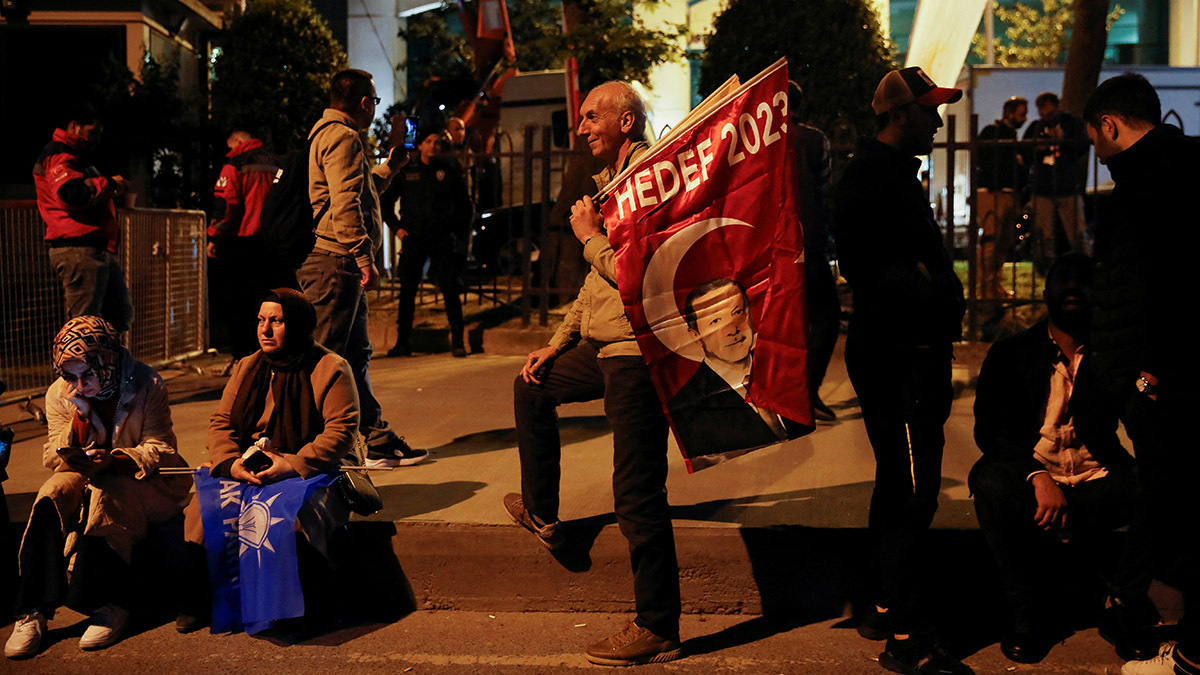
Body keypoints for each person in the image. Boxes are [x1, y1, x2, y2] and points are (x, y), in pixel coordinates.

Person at [503, 81, 683, 667]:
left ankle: (657, 625)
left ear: (626, 122)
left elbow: (636, 274)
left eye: (591, 117)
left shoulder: (649, 185)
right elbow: (594, 285)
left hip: (636, 353)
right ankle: (544, 514)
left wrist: (588, 237)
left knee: (636, 493)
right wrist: (554, 344)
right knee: (530, 386)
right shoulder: (610, 187)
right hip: (603, 346)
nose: (581, 128)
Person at [832, 66, 972, 675]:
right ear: (898, 114)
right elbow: (872, 270)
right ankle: (909, 636)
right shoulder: (869, 180)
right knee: (914, 488)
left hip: (905, 351)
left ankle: (883, 605)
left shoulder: (887, 175)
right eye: (928, 110)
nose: (937, 121)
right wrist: (931, 293)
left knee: (899, 482)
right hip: (901, 355)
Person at [1075, 73, 1200, 675]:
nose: (1097, 153)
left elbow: (1155, 290)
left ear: (1109, 125)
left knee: (1172, 494)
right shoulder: (1187, 164)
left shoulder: (1144, 187)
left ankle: (1177, 642)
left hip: (1160, 375)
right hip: (1165, 370)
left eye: (1095, 139)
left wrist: (1147, 375)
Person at [970, 254, 1152, 664]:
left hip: (1096, 474)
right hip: (1033, 478)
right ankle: (1027, 612)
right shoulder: (1012, 353)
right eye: (1063, 281)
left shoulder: (1110, 356)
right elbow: (990, 433)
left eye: (1082, 282)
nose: (1072, 290)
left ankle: (1121, 605)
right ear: (1047, 291)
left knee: (1159, 486)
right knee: (991, 483)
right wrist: (1036, 475)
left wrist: (1145, 381)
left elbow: (1140, 418)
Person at [5, 316, 191, 658]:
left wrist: (115, 460)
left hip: (143, 479)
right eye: (69, 375)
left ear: (105, 360)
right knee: (51, 495)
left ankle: (110, 604)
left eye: (86, 373)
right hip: (88, 470)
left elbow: (162, 449)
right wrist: (80, 420)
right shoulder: (60, 393)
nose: (78, 383)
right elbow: (52, 455)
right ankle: (32, 611)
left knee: (106, 494)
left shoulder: (146, 382)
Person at [178, 288, 361, 633]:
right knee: (203, 510)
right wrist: (230, 463)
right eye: (261, 321)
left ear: (296, 324)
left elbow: (341, 430)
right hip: (249, 464)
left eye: (276, 321)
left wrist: (293, 464)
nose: (265, 330)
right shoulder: (249, 367)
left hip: (308, 468)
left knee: (288, 513)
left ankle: (288, 609)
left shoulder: (331, 367)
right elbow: (222, 422)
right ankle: (205, 601)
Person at [298, 68, 427, 468]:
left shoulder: (327, 135)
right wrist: (362, 255)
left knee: (353, 355)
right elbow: (345, 204)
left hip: (338, 260)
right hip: (335, 261)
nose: (375, 108)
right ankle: (312, 446)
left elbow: (359, 191)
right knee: (327, 358)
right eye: (375, 100)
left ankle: (376, 439)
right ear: (362, 102)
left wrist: (390, 168)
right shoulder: (343, 137)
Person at [33, 110, 134, 333]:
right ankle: (82, 366)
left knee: (116, 317)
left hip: (91, 247)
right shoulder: (61, 153)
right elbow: (71, 194)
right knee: (83, 327)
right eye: (92, 131)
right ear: (73, 126)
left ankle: (108, 365)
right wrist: (109, 184)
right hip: (78, 247)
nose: (96, 138)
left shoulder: (73, 155)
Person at [666, 278, 786, 457]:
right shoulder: (686, 406)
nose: (733, 329)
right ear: (696, 336)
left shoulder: (784, 367)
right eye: (715, 321)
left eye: (737, 312)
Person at [382, 129, 473, 358]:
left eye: (438, 143)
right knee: (407, 292)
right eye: (429, 141)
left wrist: (457, 235)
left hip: (441, 238)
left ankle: (458, 340)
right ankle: (402, 342)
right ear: (420, 145)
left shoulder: (449, 171)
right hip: (413, 237)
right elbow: (385, 203)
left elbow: (464, 207)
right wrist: (397, 230)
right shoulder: (407, 171)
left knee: (450, 289)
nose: (433, 146)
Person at [788, 81, 840, 421]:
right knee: (825, 316)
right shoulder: (813, 139)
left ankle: (778, 393)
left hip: (768, 247)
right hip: (807, 242)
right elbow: (825, 184)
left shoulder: (756, 142)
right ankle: (808, 390)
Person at [208, 130, 281, 358]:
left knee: (239, 304)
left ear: (239, 142)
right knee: (269, 302)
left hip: (242, 242)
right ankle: (269, 355)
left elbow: (226, 203)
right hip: (274, 243)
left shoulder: (235, 163)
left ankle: (243, 358)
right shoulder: (277, 162)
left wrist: (214, 236)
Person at [1023, 92, 1089, 270]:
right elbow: (1024, 151)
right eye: (1042, 113)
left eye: (1049, 112)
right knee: (1044, 234)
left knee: (1077, 232)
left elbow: (1082, 146)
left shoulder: (1072, 123)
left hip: (1067, 187)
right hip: (1043, 188)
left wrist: (1062, 140)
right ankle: (1046, 269)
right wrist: (1040, 147)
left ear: (1057, 107)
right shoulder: (1037, 127)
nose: (1045, 117)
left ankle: (1083, 267)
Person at [975, 96, 1028, 301]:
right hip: (993, 193)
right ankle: (985, 289)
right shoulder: (993, 132)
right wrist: (993, 184)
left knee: (1002, 243)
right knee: (991, 241)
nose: (1024, 118)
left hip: (1006, 192)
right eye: (1022, 114)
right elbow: (985, 160)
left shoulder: (1010, 136)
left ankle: (994, 286)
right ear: (1009, 113)